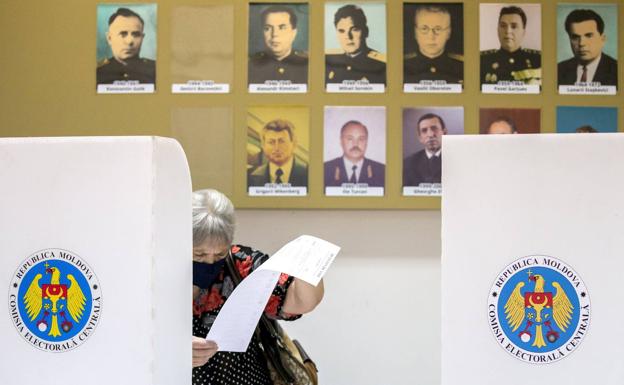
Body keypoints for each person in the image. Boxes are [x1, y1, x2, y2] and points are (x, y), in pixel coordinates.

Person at [191, 189, 324, 385]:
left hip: (247, 378)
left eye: (219, 254)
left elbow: (302, 301)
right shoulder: (153, 269)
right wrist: (172, 348)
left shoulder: (240, 263)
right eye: (200, 255)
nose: (210, 261)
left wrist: (309, 266)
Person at [325, 4, 386, 84]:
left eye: (354, 29)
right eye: (341, 31)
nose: (348, 36)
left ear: (366, 31)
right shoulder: (328, 61)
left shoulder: (382, 65)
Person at [480, 6, 541, 85]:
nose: (508, 31)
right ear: (498, 30)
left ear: (523, 32)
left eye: (514, 26)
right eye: (503, 26)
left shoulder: (538, 60)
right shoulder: (482, 61)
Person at [404, 5, 463, 84]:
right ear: (415, 32)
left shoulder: (462, 67)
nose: (431, 37)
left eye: (438, 29)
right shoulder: (402, 66)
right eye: (424, 29)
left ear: (448, 33)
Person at [248, 5, 308, 84]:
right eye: (267, 28)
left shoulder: (308, 65)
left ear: (293, 33)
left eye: (282, 27)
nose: (275, 34)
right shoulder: (249, 66)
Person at [557, 9, 617, 86]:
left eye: (589, 36)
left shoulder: (617, 70)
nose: (581, 43)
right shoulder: (558, 70)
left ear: (602, 39)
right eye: (575, 37)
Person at [97, 7, 155, 85]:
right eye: (123, 34)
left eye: (136, 34)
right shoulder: (98, 72)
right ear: (109, 38)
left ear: (142, 38)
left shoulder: (155, 70)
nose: (130, 41)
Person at [248, 119, 308, 187]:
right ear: (263, 146)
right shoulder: (248, 176)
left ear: (294, 144)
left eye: (282, 141)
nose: (277, 148)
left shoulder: (310, 174)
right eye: (271, 142)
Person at [324, 120, 385, 187]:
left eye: (361, 139)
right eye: (350, 139)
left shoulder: (382, 171)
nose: (355, 144)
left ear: (366, 142)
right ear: (341, 141)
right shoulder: (325, 170)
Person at [403, 113, 446, 186]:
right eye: (424, 130)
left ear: (444, 133)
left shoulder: (458, 160)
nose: (430, 134)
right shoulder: (408, 164)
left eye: (434, 128)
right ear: (420, 138)